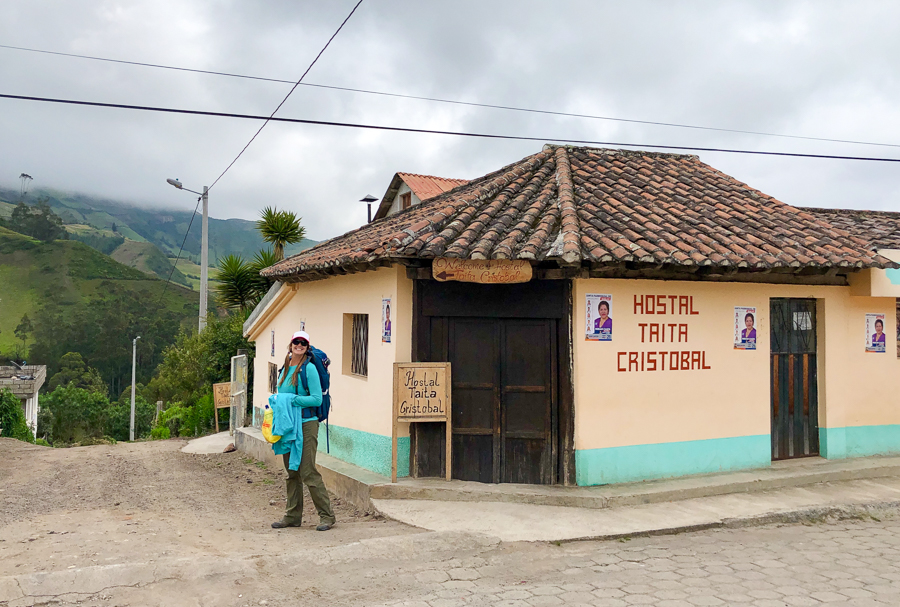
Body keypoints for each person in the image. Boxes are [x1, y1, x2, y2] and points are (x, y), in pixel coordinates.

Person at [271, 330, 336, 531]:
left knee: (307, 471)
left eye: (303, 343)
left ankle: (327, 516)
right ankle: (292, 516)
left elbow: (316, 399)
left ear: (307, 347)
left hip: (307, 423)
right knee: (292, 472)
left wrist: (291, 401)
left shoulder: (309, 369)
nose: (299, 345)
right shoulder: (284, 368)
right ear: (290, 345)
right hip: (288, 426)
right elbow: (280, 394)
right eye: (296, 342)